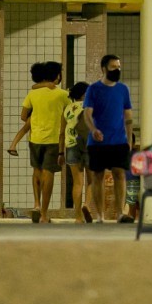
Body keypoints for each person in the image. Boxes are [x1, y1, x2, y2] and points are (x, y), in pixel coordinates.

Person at [7, 60, 72, 223]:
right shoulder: (63, 95)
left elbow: (23, 116)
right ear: (57, 75)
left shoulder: (33, 94)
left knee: (36, 171)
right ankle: (44, 213)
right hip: (54, 139)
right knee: (48, 173)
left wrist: (35, 118)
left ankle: (36, 204)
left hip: (35, 138)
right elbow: (70, 115)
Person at [83, 53, 133, 223]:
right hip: (97, 142)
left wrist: (129, 137)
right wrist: (93, 129)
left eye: (118, 67)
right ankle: (100, 215)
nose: (117, 70)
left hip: (118, 140)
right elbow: (87, 113)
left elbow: (128, 115)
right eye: (113, 67)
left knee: (120, 174)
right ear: (104, 69)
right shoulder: (94, 89)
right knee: (98, 176)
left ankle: (120, 213)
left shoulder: (123, 89)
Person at [64, 80, 92, 222]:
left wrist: (59, 152)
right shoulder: (90, 107)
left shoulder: (68, 108)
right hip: (89, 145)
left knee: (77, 182)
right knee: (92, 180)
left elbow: (61, 132)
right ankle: (87, 205)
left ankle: (77, 217)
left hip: (71, 145)